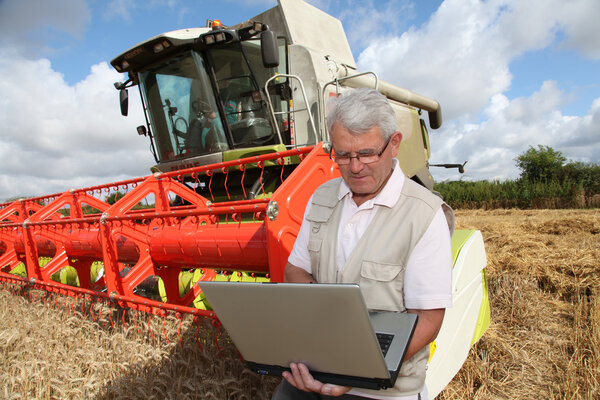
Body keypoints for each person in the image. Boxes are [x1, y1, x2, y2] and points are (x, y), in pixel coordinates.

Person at [271, 88, 454, 400]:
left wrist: (362, 371)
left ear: (394, 144)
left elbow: (428, 319)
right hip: (317, 367)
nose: (354, 167)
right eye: (342, 154)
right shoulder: (322, 197)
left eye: (367, 153)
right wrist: (319, 343)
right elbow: (296, 271)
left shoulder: (423, 215)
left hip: (385, 388)